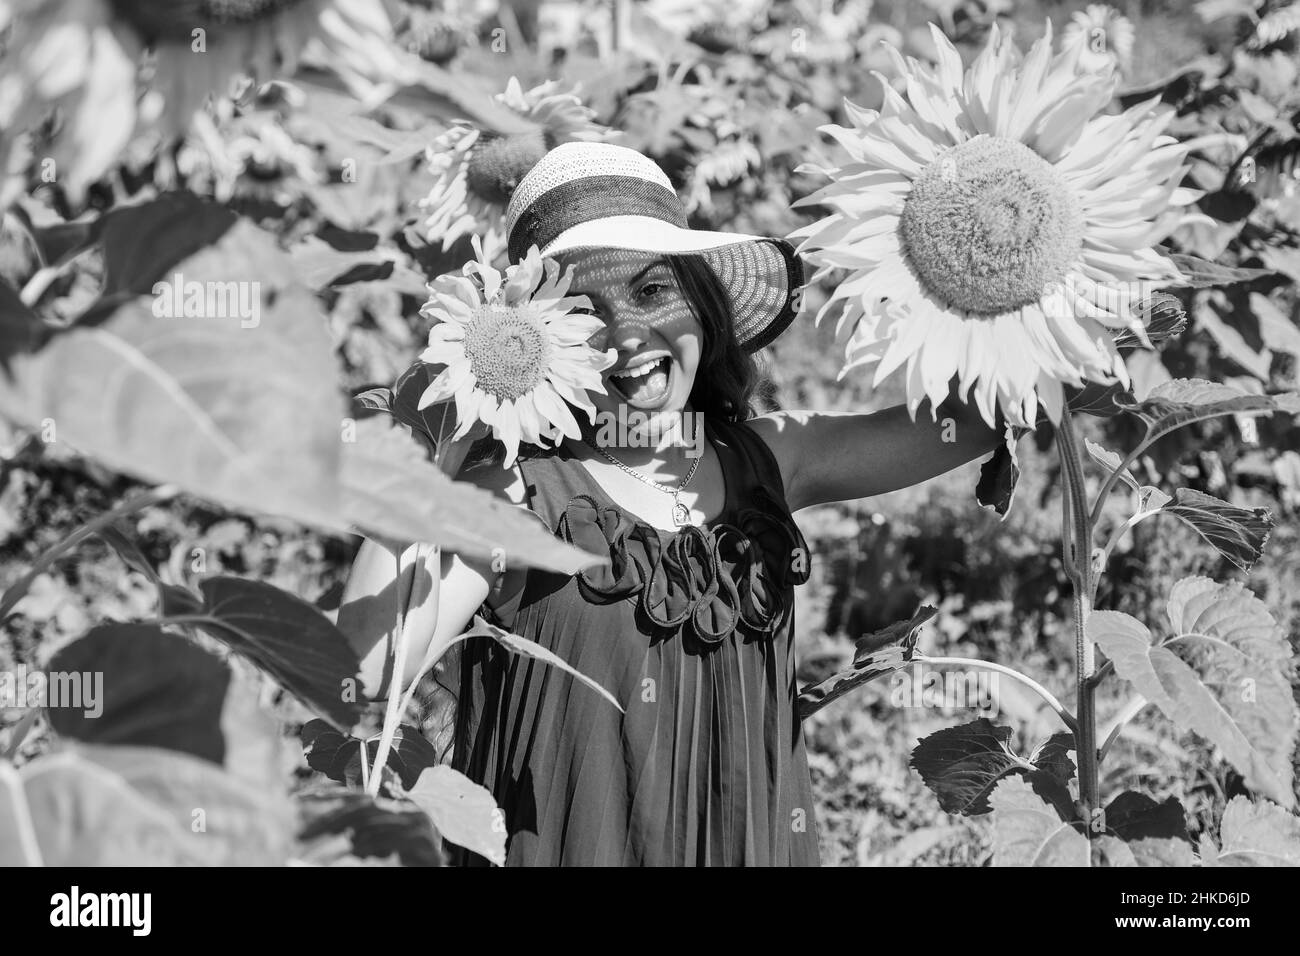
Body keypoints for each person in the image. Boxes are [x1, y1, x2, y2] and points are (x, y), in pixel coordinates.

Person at [338, 141, 1003, 866]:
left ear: (702, 307)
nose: (626, 336)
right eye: (584, 315)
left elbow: (972, 422)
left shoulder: (768, 461)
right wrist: (435, 444)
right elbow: (369, 671)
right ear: (543, 344)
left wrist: (971, 239)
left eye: (653, 293)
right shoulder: (514, 490)